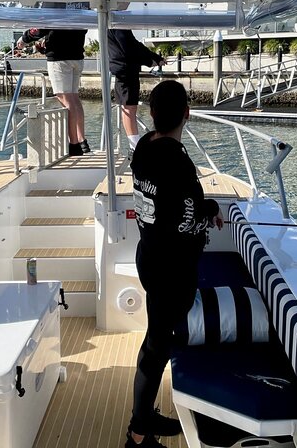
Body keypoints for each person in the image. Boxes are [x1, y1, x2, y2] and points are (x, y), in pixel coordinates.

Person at [127, 80, 223, 448]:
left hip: (150, 256)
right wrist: (207, 216)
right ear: (186, 113)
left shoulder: (144, 149)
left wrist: (206, 208)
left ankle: (144, 415)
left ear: (151, 114)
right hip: (172, 269)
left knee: (155, 342)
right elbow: (186, 221)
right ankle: (138, 433)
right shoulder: (177, 161)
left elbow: (169, 207)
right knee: (157, 346)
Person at [17, 28, 90, 156]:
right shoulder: (80, 7)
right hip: (77, 56)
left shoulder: (56, 7)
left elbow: (39, 29)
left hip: (59, 58)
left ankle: (74, 145)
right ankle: (82, 141)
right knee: (74, 98)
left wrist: (24, 38)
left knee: (66, 99)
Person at [107, 29, 166, 154]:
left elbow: (134, 44)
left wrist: (155, 57)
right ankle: (134, 146)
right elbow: (129, 48)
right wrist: (149, 61)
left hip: (125, 69)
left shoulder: (119, 25)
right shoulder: (117, 25)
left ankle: (134, 144)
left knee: (129, 106)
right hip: (125, 69)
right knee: (129, 107)